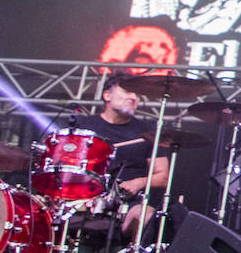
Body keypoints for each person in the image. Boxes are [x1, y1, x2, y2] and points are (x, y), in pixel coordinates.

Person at [72, 71, 170, 243]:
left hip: (127, 205)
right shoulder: (84, 126)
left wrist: (138, 182)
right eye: (127, 91)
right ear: (107, 95)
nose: (133, 97)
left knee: (146, 216)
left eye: (137, 94)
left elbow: (163, 176)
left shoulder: (147, 132)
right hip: (81, 200)